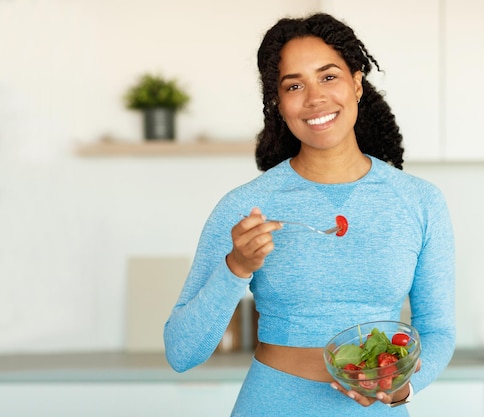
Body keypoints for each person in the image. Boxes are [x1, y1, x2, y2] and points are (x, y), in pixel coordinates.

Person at [163, 12, 455, 417]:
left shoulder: (420, 202)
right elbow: (181, 351)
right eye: (294, 85)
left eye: (329, 77)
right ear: (278, 104)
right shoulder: (246, 207)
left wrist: (403, 390)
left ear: (357, 83)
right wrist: (236, 267)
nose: (315, 97)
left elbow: (438, 330)